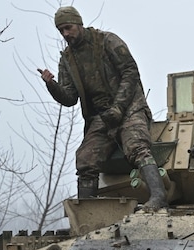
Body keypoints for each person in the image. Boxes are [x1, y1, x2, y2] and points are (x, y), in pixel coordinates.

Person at [38, 6, 167, 211]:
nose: (65, 34)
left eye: (68, 28)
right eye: (61, 30)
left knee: (136, 147)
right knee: (85, 159)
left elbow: (130, 72)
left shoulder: (107, 41)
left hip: (129, 107)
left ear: (79, 24)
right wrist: (52, 86)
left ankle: (159, 197)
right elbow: (70, 98)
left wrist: (119, 107)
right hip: (102, 117)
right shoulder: (68, 60)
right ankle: (88, 213)